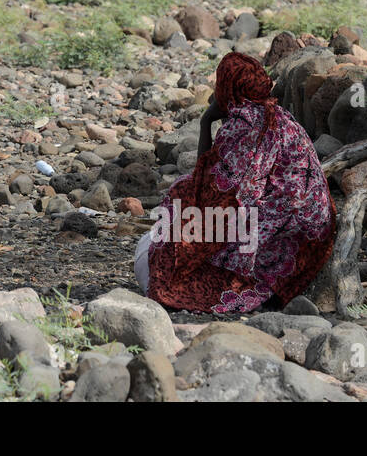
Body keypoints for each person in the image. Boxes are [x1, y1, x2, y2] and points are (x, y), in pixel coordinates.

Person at [138, 51, 336, 313]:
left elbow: (212, 184)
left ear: (227, 87)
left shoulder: (245, 122)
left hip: (289, 228)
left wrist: (206, 121)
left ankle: (220, 280)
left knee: (181, 197)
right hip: (316, 219)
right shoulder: (282, 116)